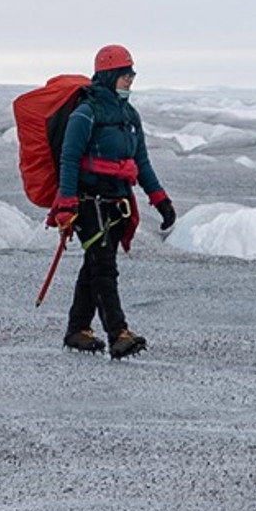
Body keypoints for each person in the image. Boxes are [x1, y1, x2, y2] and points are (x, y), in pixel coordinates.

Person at [46, 45, 175, 357]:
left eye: (132, 74)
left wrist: (160, 200)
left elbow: (141, 162)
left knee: (95, 266)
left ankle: (77, 329)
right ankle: (118, 332)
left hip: (118, 202)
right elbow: (70, 159)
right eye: (125, 74)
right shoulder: (85, 114)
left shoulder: (130, 116)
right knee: (104, 268)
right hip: (90, 203)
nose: (130, 79)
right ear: (109, 75)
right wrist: (66, 203)